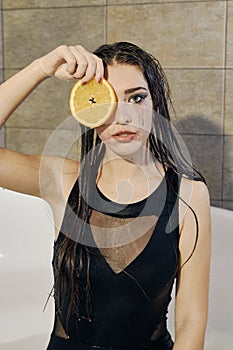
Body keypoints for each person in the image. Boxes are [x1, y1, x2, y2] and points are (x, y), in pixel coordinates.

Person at [0, 42, 211, 350]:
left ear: (155, 105)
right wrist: (41, 68)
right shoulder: (63, 181)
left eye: (136, 98)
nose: (123, 116)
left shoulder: (189, 194)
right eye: (106, 99)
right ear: (88, 109)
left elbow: (191, 320)